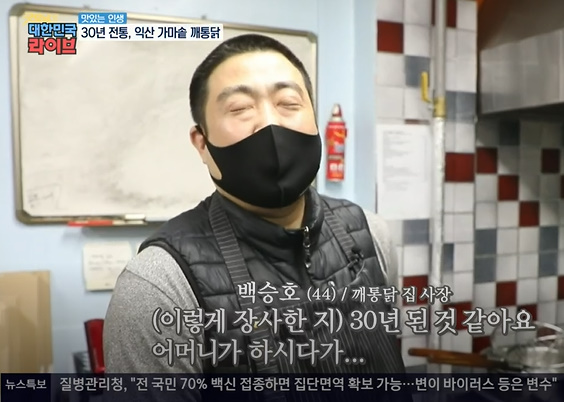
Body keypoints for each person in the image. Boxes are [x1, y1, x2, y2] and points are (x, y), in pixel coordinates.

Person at [103, 33, 406, 396]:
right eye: (240, 108)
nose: (269, 124)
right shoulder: (159, 284)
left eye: (289, 102)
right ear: (202, 143)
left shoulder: (371, 234)